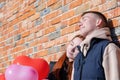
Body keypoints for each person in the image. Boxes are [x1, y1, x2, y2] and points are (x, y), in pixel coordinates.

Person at [72, 11, 120, 80]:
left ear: (98, 22)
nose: (79, 24)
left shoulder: (108, 48)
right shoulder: (79, 55)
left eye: (84, 19)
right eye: (79, 22)